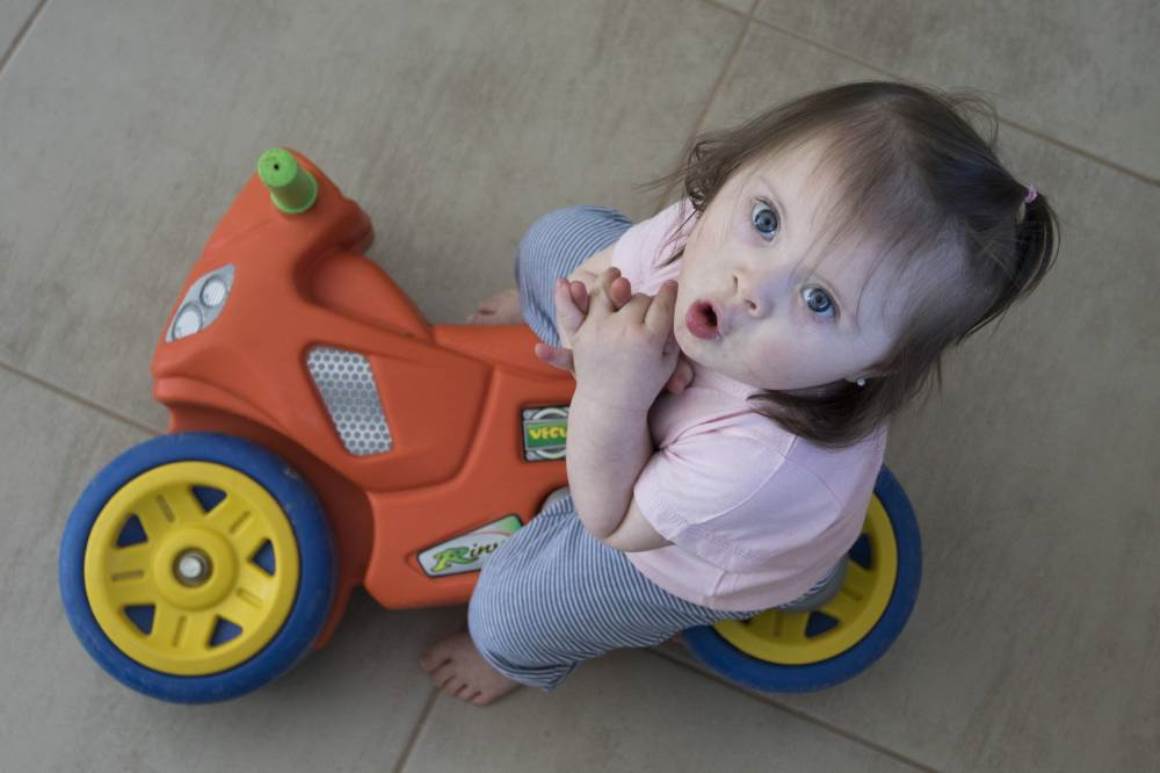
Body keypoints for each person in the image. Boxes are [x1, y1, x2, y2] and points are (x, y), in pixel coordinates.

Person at [420, 81, 1058, 705]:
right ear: (735, 169)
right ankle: (553, 313)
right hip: (644, 404)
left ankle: (514, 656)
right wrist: (581, 311)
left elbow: (610, 521)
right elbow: (618, 263)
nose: (749, 284)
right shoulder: (705, 230)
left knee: (509, 612)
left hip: (673, 550)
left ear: (879, 361)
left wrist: (609, 392)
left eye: (819, 300)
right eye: (766, 220)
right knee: (556, 239)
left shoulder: (759, 466)